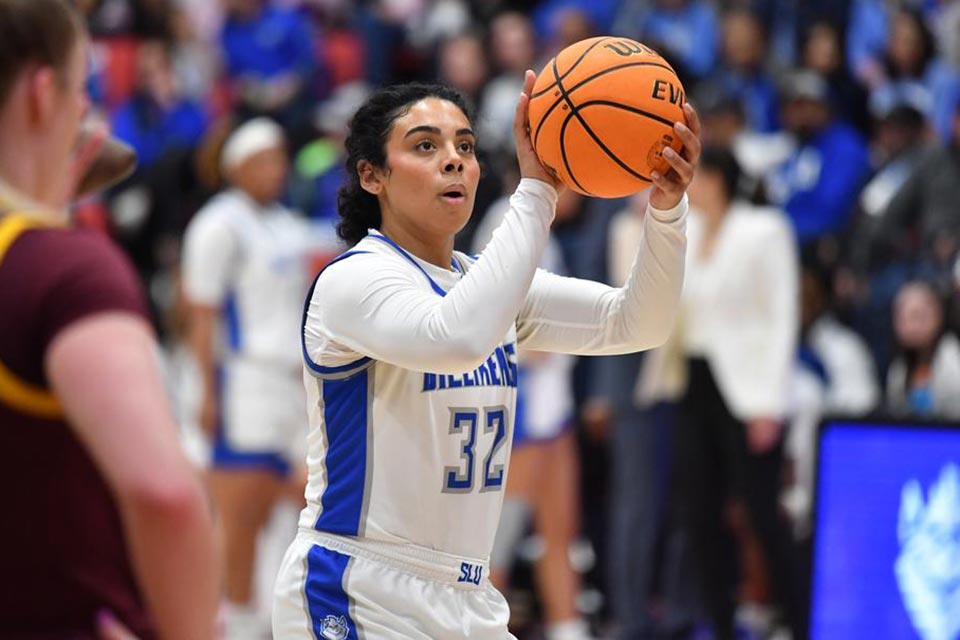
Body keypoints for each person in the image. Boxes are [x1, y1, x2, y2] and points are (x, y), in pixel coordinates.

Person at [272, 74, 699, 638]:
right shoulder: (353, 280)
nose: (453, 160)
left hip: (469, 597)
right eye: (426, 145)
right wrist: (539, 188)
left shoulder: (481, 286)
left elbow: (638, 321)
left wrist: (667, 210)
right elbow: (456, 339)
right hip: (360, 587)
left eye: (465, 146)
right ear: (372, 175)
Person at [0, 1, 218, 638]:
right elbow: (165, 497)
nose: (84, 112)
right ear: (44, 94)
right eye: (81, 89)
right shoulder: (62, 271)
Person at [640, 146, 802, 639]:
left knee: (760, 513)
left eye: (700, 175)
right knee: (699, 513)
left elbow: (782, 316)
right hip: (694, 383)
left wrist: (770, 403)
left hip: (748, 394)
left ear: (720, 180)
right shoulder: (683, 232)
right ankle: (723, 622)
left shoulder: (764, 229)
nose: (691, 183)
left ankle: (801, 619)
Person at [181, 117, 331, 638]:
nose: (277, 169)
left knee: (296, 509)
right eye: (264, 160)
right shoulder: (217, 225)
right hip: (242, 381)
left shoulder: (285, 222)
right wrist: (206, 391)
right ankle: (237, 624)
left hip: (292, 382)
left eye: (279, 158)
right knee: (240, 516)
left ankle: (272, 621)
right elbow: (201, 314)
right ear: (237, 168)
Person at [474, 196, 589, 640]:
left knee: (561, 536)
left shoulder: (548, 229)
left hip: (552, 410)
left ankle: (569, 628)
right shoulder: (507, 218)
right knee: (495, 549)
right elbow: (484, 304)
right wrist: (525, 346)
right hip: (516, 415)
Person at [886, 280, 960, 419]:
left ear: (938, 316)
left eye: (917, 316)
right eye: (902, 317)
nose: (910, 326)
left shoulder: (953, 360)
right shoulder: (899, 368)